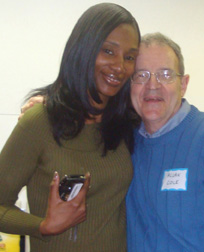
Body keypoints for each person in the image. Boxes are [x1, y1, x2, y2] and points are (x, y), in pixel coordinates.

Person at [0, 3, 139, 251]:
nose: (120, 67)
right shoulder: (40, 122)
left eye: (129, 57)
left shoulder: (125, 122)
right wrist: (42, 226)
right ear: (83, 50)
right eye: (108, 51)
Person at [125, 32, 204, 251]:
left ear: (183, 84)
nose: (152, 85)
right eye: (141, 75)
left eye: (165, 74)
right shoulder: (122, 142)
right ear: (129, 85)